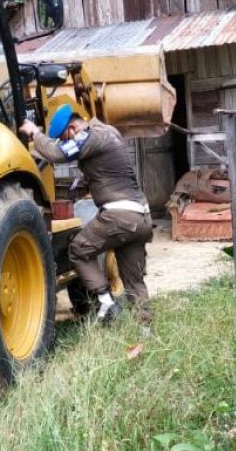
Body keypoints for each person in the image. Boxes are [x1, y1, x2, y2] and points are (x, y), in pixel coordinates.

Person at [19, 103, 153, 324]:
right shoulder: (110, 132)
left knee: (79, 249)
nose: (66, 142)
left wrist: (34, 132)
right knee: (134, 282)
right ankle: (146, 331)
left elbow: (56, 153)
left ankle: (105, 301)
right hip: (141, 218)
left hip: (120, 216)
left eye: (65, 137)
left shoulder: (89, 136)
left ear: (73, 127)